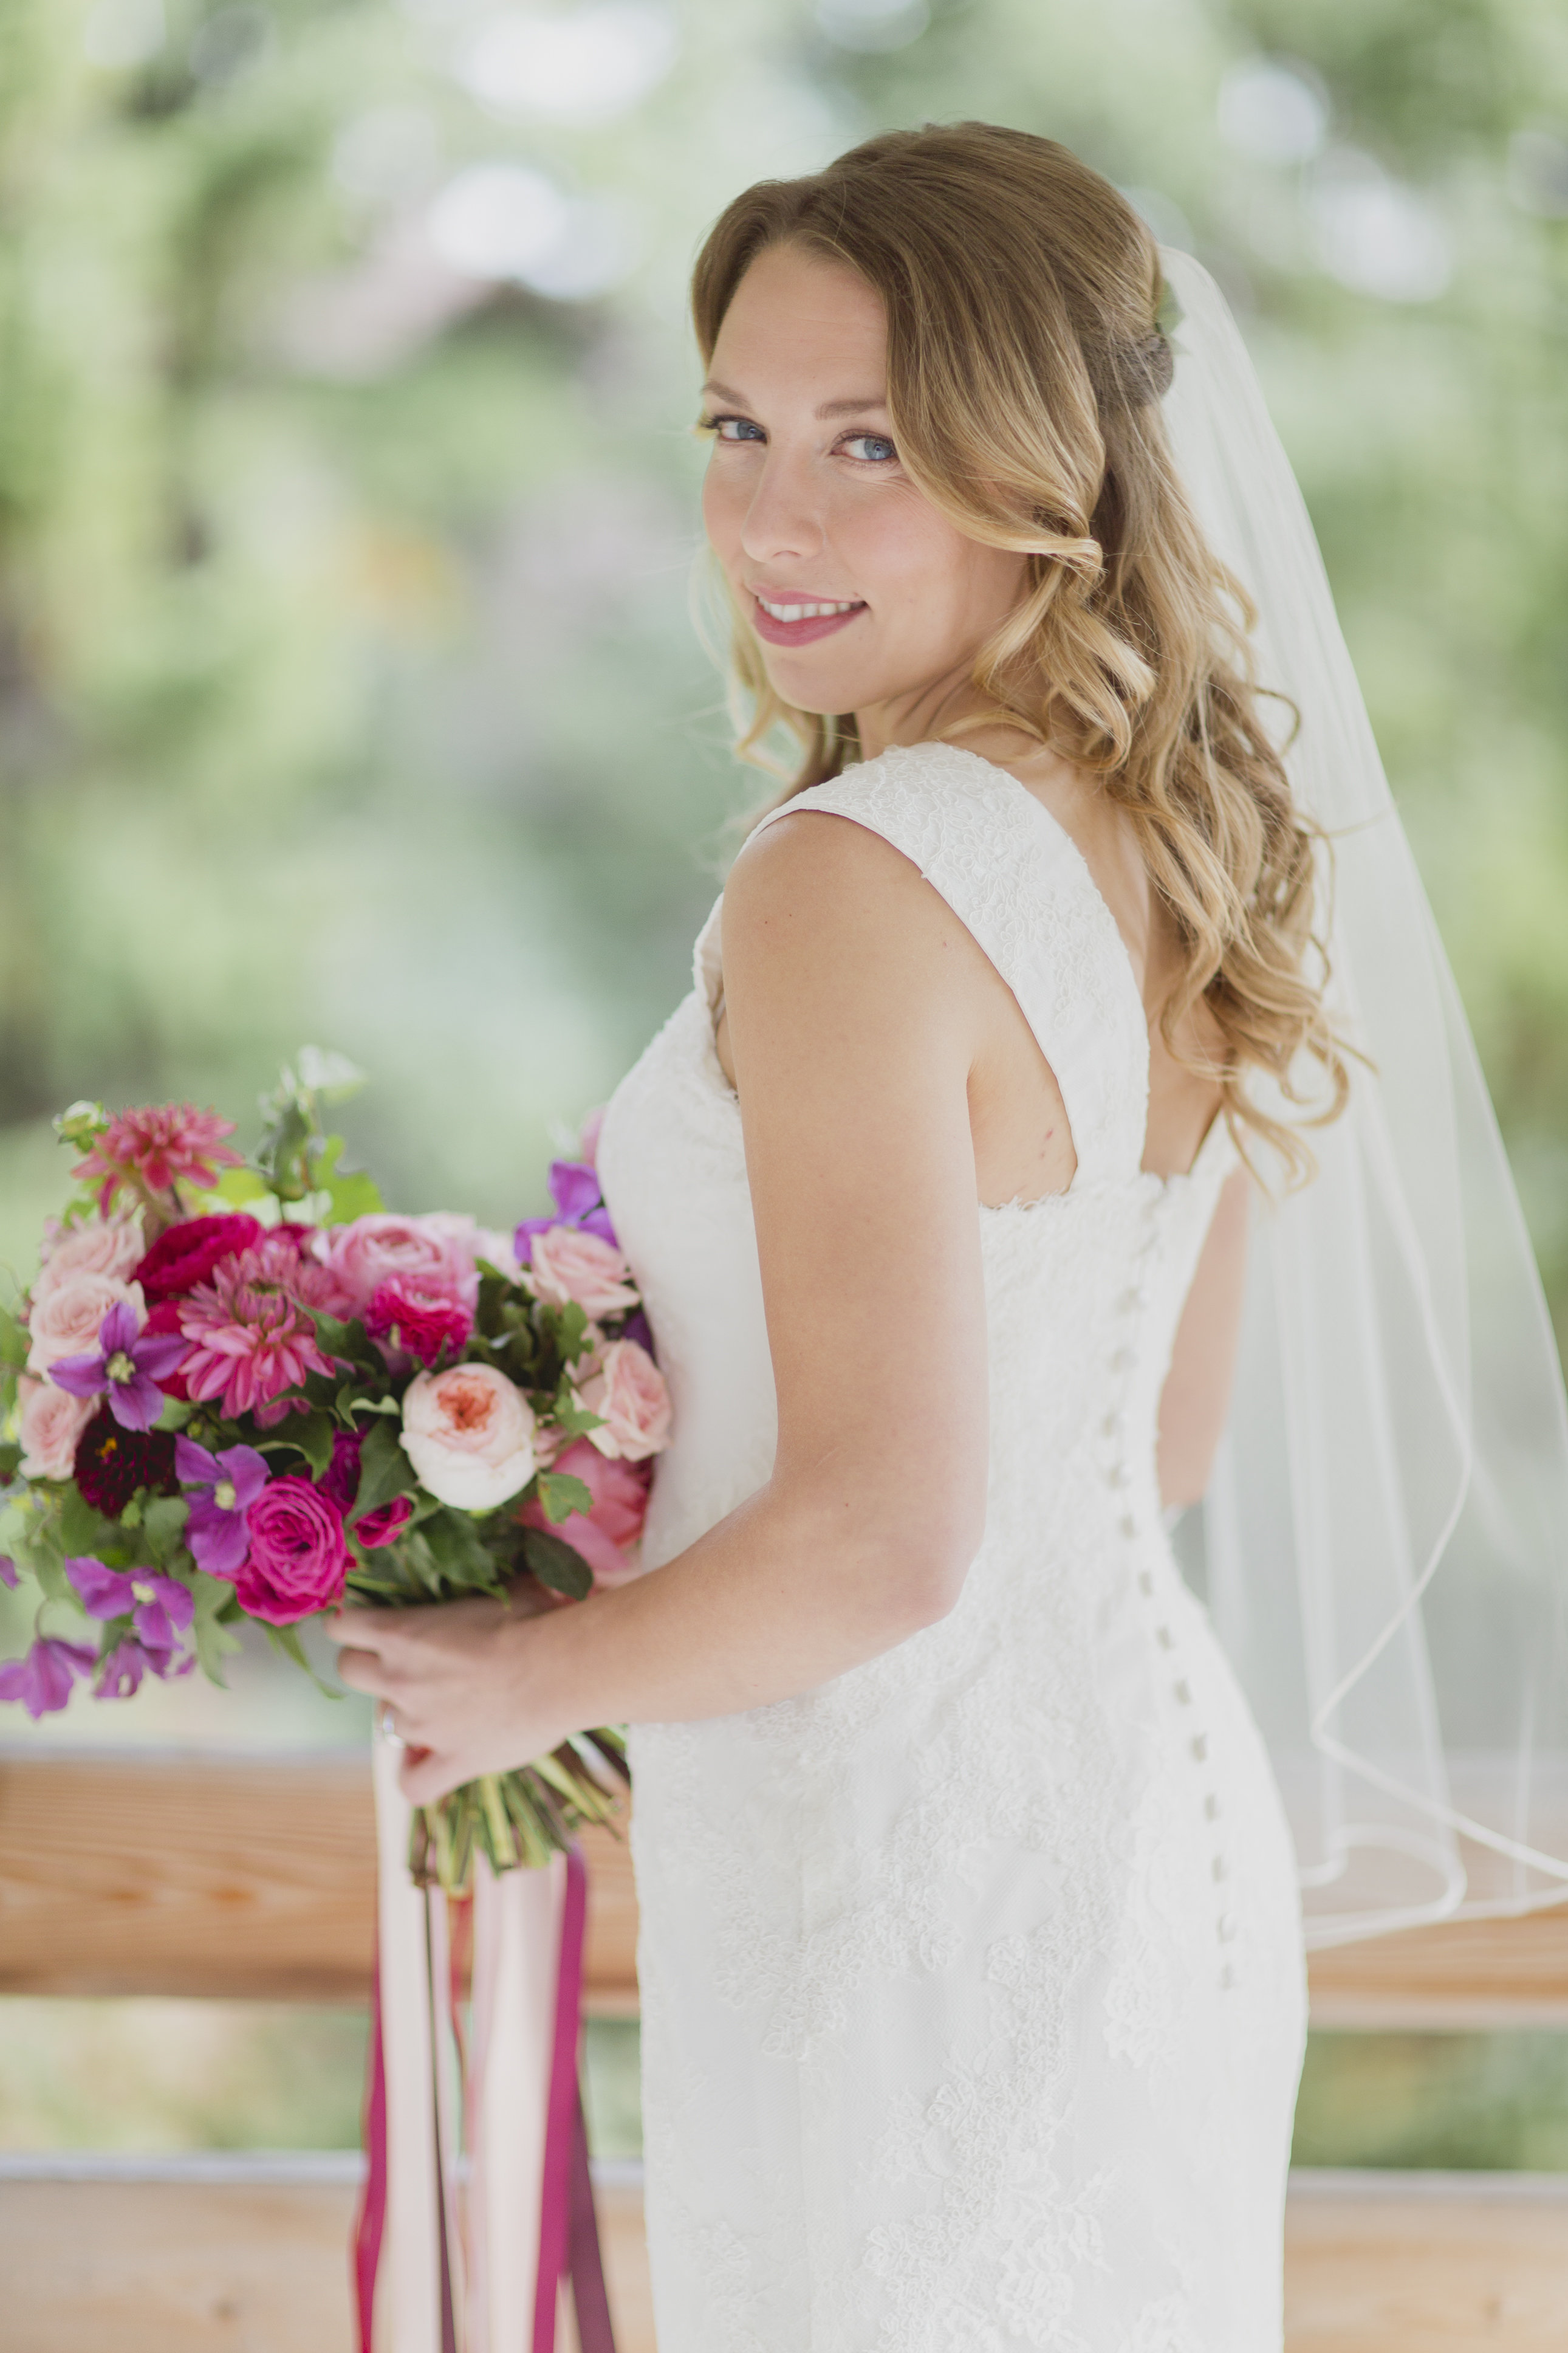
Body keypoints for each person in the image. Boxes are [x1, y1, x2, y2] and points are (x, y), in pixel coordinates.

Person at [334, 122, 1568, 2349]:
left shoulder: (851, 878)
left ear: (1042, 464)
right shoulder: (1185, 849)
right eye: (737, 427)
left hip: (907, 1877)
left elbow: (890, 1541)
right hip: (1144, 1838)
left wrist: (516, 1678)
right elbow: (1156, 1444)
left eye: (869, 445)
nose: (774, 521)